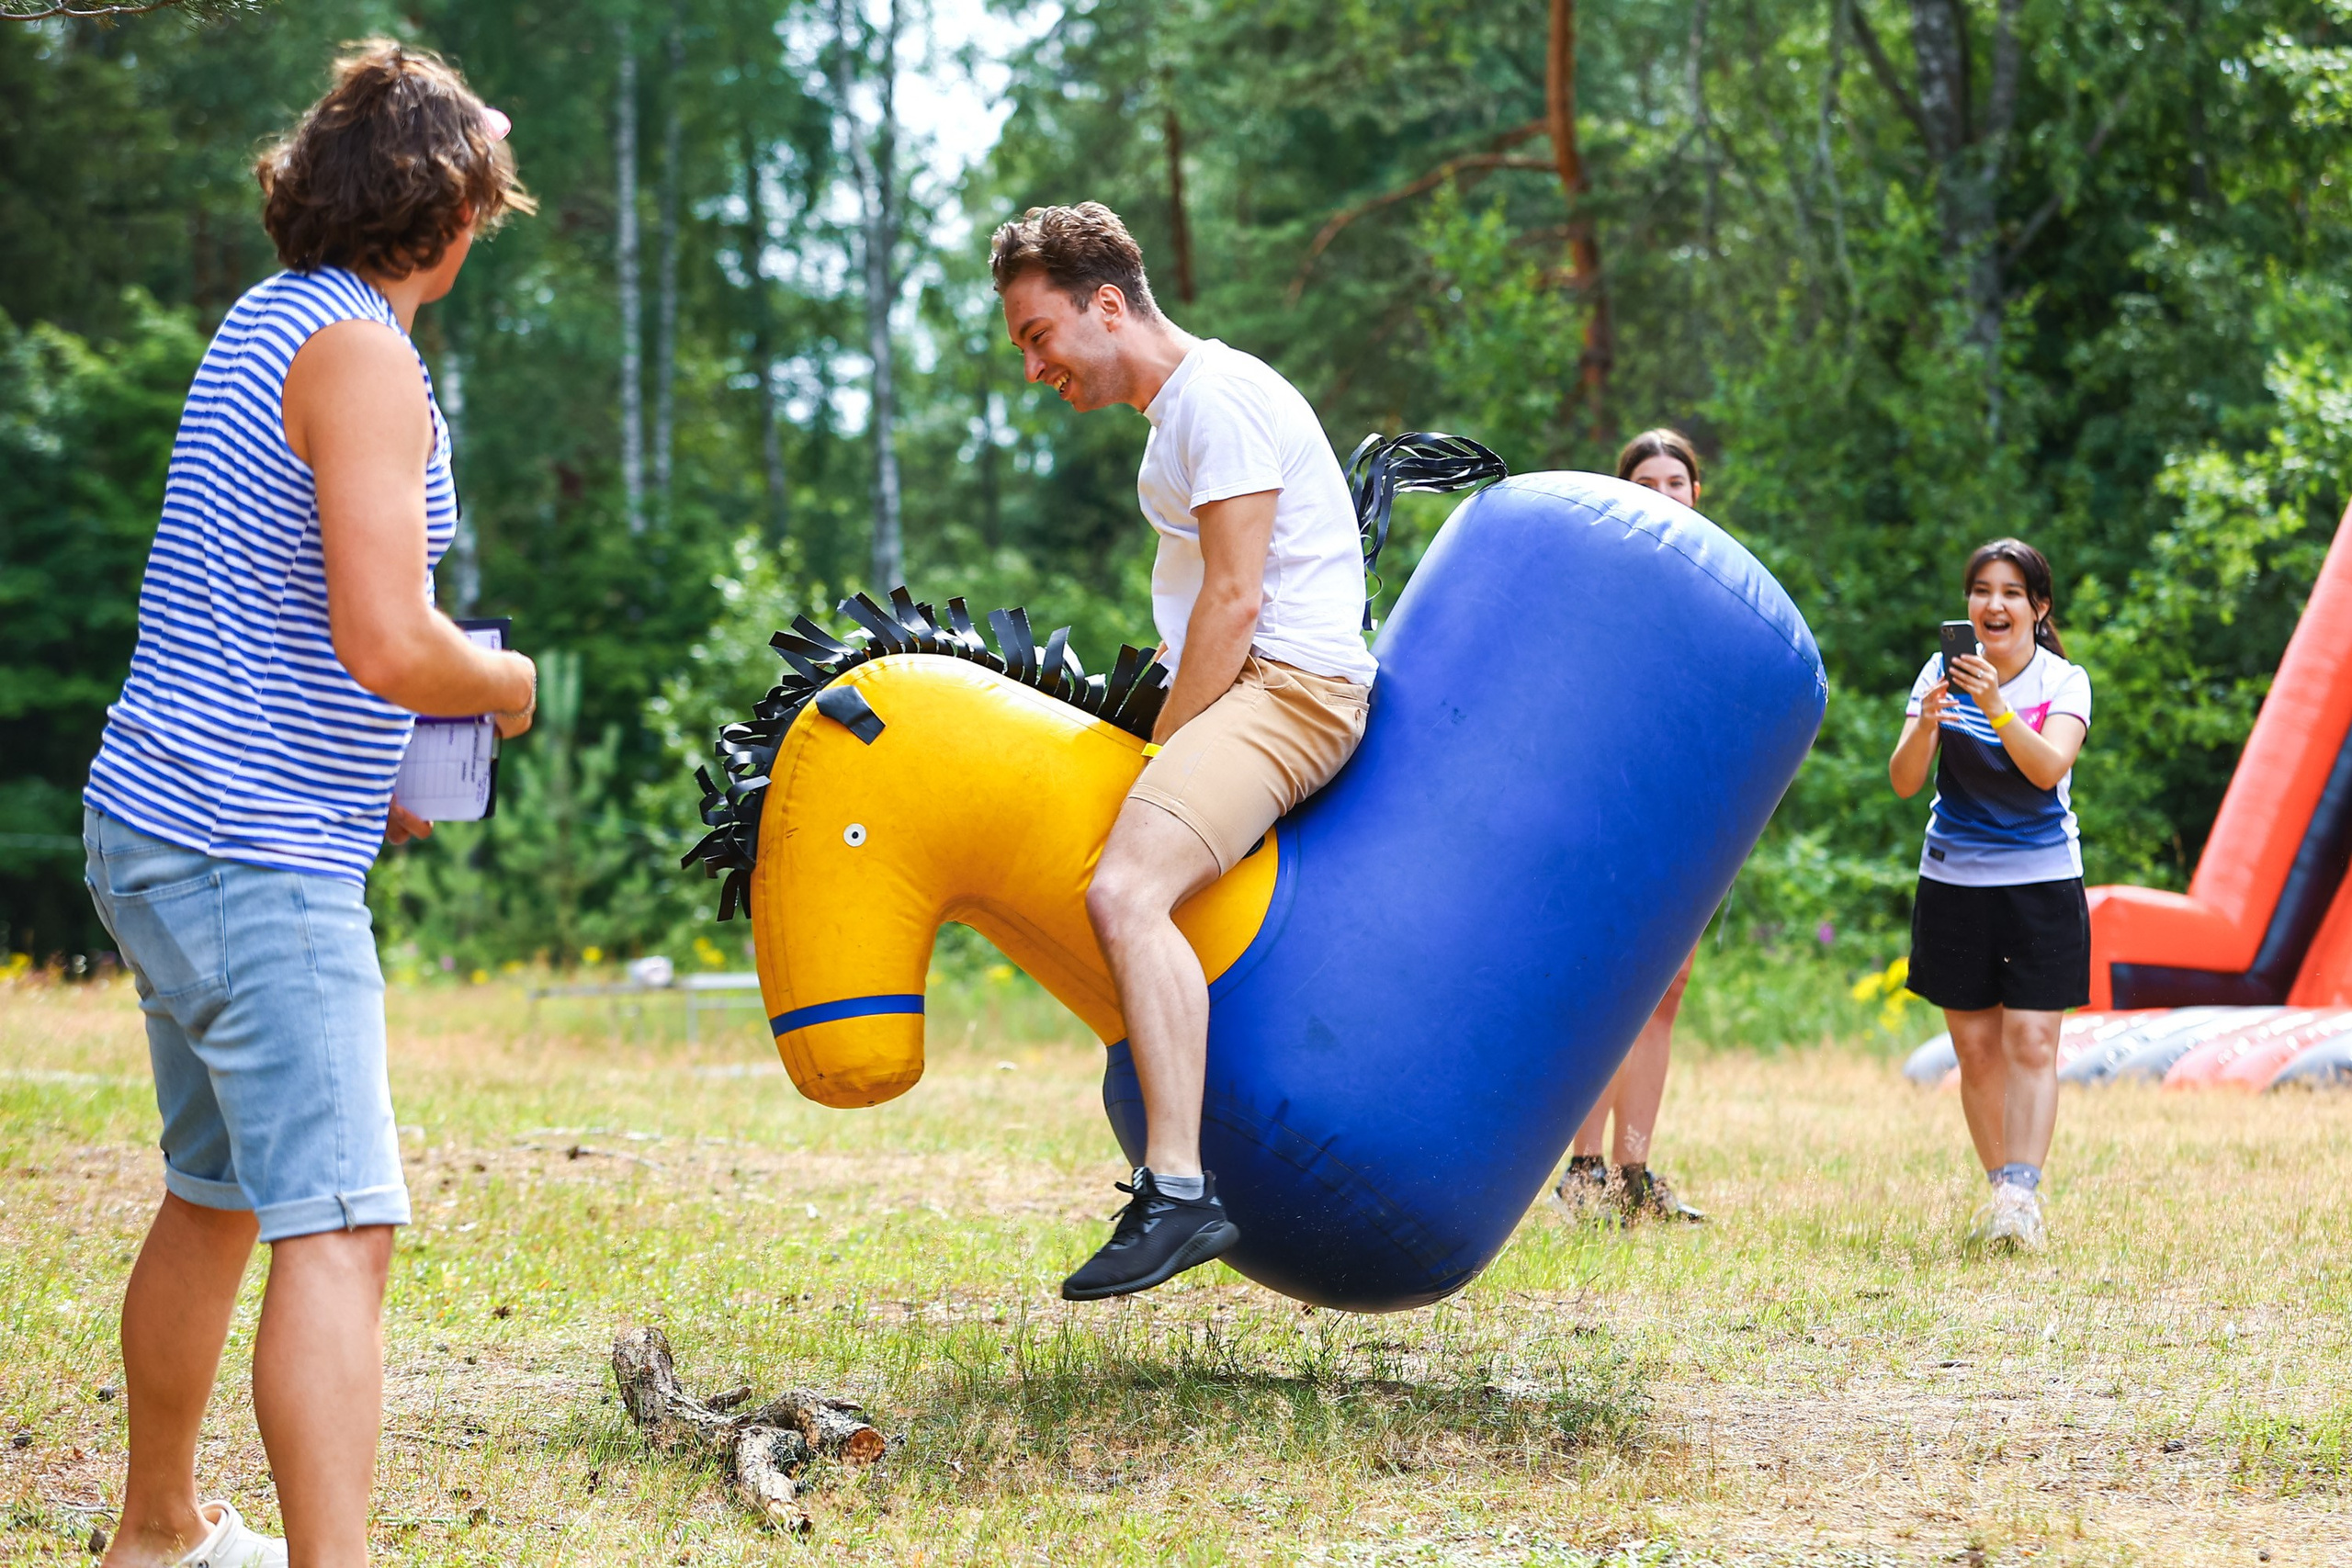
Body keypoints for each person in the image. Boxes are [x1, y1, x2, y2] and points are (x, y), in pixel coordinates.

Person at [78, 42, 537, 1568]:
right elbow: (387, 640)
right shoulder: (364, 356)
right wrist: (505, 684)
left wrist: (379, 765)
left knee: (214, 1190)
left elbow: (284, 618)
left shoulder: (275, 320)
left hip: (166, 830)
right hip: (249, 859)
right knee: (339, 1224)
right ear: (448, 211)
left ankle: (158, 1532)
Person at [989, 203, 1375, 1301]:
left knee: (1125, 889)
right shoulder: (1177, 418)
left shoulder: (1219, 398)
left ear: (1106, 304)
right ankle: (1173, 1182)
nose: (1034, 368)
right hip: (1252, 680)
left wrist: (1163, 747)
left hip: (1293, 691)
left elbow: (1238, 602)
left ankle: (1177, 1191)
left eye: (1037, 336)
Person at [1887, 539, 2091, 1250]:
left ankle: (2022, 1197)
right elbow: (1905, 780)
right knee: (1976, 1049)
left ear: (2039, 608)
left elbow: (2047, 769)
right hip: (1954, 881)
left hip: (2042, 883)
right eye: (1981, 590)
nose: (1993, 604)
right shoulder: (1937, 675)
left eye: (2011, 592)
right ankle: (2001, 1190)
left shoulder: (2064, 683)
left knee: (2032, 1039)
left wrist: (1997, 708)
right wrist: (1932, 722)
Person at [1553, 430, 1708, 1224]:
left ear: (1695, 492)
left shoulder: (1719, 583)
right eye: (1645, 479)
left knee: (1666, 987)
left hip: (1688, 802)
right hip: (1613, 798)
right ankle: (1581, 1170)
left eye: (1675, 479)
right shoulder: (1602, 572)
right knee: (1610, 984)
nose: (1661, 490)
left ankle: (1633, 1174)